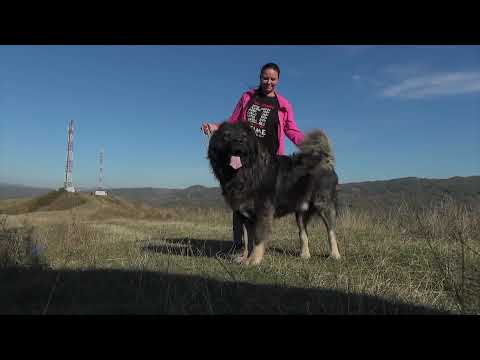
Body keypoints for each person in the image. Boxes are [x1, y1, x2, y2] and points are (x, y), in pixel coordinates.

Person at [201, 62, 305, 252]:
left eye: (273, 79)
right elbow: (233, 120)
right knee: (238, 197)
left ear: (278, 80)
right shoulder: (248, 97)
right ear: (260, 77)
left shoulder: (283, 105)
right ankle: (238, 244)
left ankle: (257, 246)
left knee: (262, 205)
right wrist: (215, 127)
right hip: (244, 157)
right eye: (265, 78)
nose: (269, 82)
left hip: (269, 161)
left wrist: (307, 145)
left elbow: (291, 129)